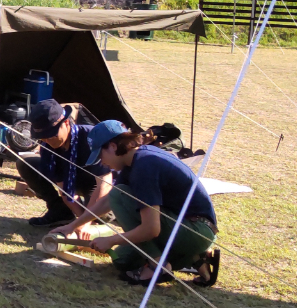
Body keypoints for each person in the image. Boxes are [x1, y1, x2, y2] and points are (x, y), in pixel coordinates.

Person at [79, 120, 221, 286]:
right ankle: (197, 258)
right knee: (123, 260)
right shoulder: (135, 159)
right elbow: (106, 202)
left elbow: (151, 229)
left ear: (113, 146)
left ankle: (158, 265)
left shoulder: (144, 166)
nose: (102, 162)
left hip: (195, 230)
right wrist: (73, 226)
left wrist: (111, 240)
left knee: (119, 195)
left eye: (100, 155)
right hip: (190, 229)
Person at [17, 99, 112, 232]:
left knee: (102, 216)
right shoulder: (48, 149)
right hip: (73, 182)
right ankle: (60, 212)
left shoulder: (91, 138)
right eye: (42, 137)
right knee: (27, 163)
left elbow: (105, 183)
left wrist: (85, 221)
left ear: (66, 123)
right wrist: (80, 220)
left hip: (99, 188)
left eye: (51, 135)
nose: (47, 141)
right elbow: (65, 192)